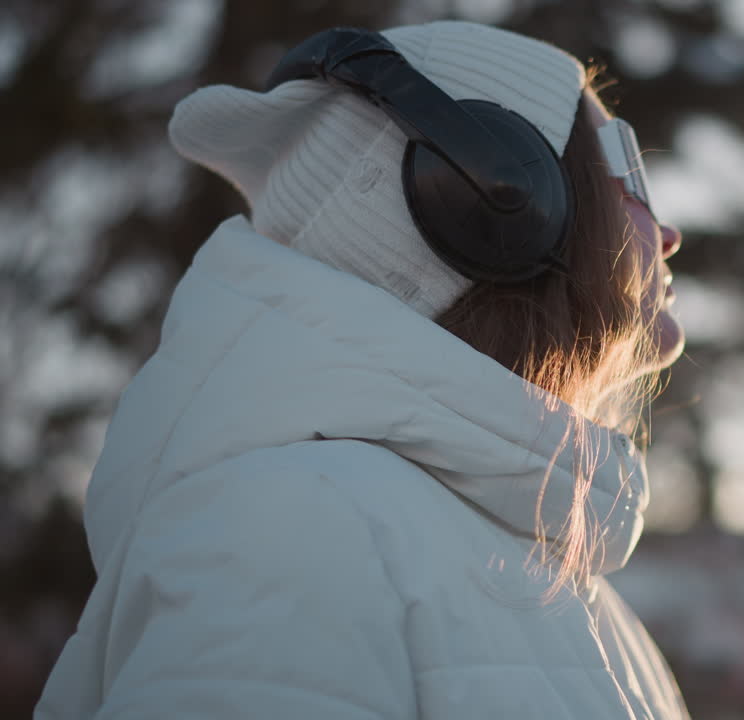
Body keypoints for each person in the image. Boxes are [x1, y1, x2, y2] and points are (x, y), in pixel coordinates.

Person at [35, 20, 689, 719]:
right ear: (497, 199)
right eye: (624, 167)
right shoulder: (287, 530)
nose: (669, 232)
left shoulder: (578, 587)